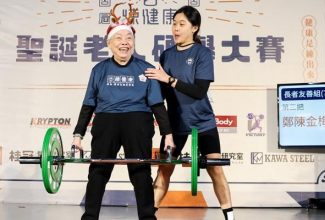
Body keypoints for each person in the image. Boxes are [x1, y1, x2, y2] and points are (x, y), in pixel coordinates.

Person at [72, 3, 174, 220]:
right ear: (110, 43)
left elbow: (157, 104)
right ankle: (89, 217)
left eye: (129, 39)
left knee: (140, 171)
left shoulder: (146, 69)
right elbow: (88, 104)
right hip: (106, 121)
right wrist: (77, 135)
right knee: (98, 170)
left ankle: (147, 217)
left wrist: (168, 134)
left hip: (138, 121)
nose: (124, 43)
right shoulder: (99, 70)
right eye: (119, 39)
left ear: (133, 43)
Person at [144, 5, 235, 220]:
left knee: (216, 169)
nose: (176, 28)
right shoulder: (166, 55)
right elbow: (163, 94)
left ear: (194, 27)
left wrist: (170, 79)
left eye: (181, 24)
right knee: (164, 170)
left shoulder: (202, 53)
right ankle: (149, 215)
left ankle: (230, 216)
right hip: (176, 126)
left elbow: (199, 91)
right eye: (174, 23)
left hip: (204, 123)